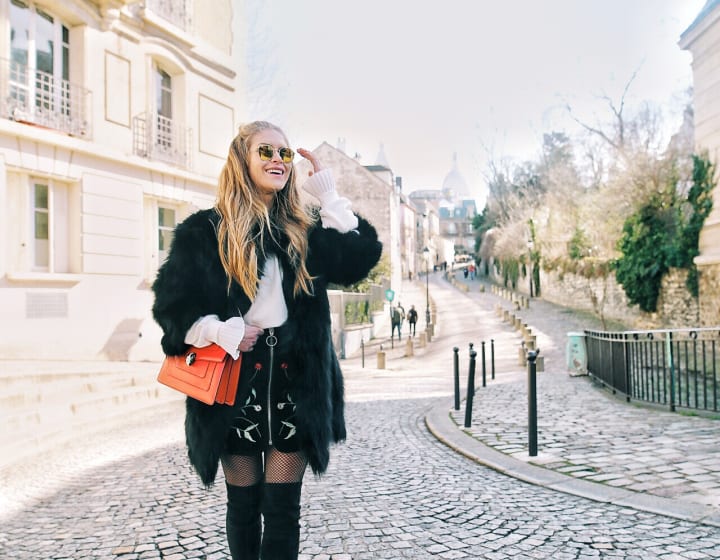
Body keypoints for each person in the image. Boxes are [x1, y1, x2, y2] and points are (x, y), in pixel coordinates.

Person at [151, 121, 382, 560]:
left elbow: (359, 258)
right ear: (243, 159)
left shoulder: (304, 227)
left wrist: (328, 194)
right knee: (243, 505)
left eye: (284, 153)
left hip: (297, 380)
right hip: (235, 381)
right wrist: (220, 331)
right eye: (266, 151)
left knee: (282, 510)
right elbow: (171, 310)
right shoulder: (205, 232)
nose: (278, 160)